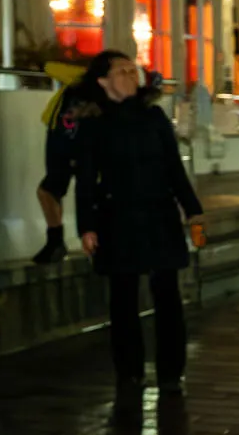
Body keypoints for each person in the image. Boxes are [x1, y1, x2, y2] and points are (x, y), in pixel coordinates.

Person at [73, 50, 204, 396]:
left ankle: (171, 372)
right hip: (116, 216)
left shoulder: (154, 117)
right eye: (122, 71)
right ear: (103, 81)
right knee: (123, 298)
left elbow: (174, 167)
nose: (132, 76)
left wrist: (192, 209)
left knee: (168, 295)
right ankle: (129, 372)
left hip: (159, 212)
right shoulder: (93, 124)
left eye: (134, 70)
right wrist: (86, 225)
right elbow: (86, 179)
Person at [33, 59, 90, 264]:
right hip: (62, 136)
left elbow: (49, 67)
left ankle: (56, 240)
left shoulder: (81, 78)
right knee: (53, 190)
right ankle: (55, 241)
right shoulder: (80, 84)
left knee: (49, 190)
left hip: (67, 140)